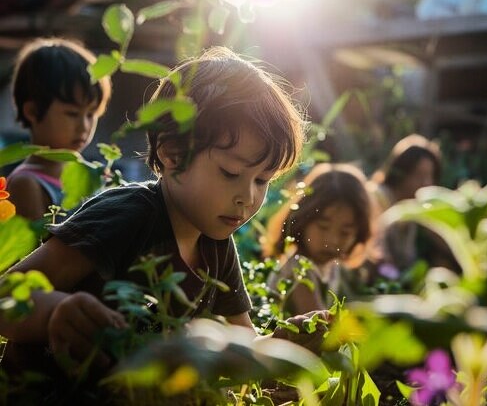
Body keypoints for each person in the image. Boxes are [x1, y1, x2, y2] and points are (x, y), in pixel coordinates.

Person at [0, 47, 325, 386]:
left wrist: (283, 345)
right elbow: (6, 295)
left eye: (263, 180)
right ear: (172, 153)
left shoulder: (216, 246)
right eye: (230, 173)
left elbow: (242, 344)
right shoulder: (125, 216)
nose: (249, 196)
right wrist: (53, 312)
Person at [6, 37, 112, 222]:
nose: (84, 127)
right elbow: (38, 249)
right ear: (33, 111)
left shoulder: (93, 174)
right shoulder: (26, 184)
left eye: (91, 114)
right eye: (72, 113)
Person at [263, 163, 372, 315]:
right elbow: (319, 327)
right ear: (304, 219)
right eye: (323, 226)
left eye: (345, 232)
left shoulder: (331, 266)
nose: (332, 240)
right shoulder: (300, 269)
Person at [365, 133, 452, 281]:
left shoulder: (410, 208)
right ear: (401, 173)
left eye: (429, 177)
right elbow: (377, 258)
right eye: (419, 176)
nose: (426, 184)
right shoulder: (377, 198)